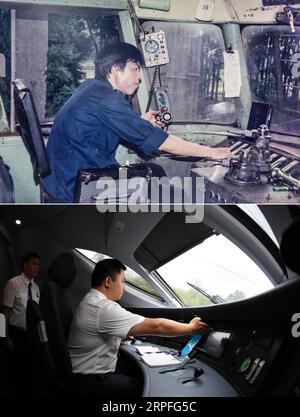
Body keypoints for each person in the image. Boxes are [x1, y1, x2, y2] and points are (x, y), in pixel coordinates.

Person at [43, 42, 231, 203]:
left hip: (63, 177)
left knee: (155, 171)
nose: (139, 77)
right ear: (116, 69)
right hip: (77, 185)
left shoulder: (91, 88)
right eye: (135, 69)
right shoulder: (107, 99)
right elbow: (164, 143)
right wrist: (212, 152)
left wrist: (138, 122)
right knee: (175, 195)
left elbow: (100, 126)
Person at [68, 258, 209, 397]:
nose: (123, 286)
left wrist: (120, 335)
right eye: (122, 281)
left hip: (83, 375)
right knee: (144, 387)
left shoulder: (90, 301)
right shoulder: (102, 307)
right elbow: (156, 326)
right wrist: (191, 328)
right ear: (108, 282)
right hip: (91, 382)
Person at [2, 251, 40, 352]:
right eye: (34, 264)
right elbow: (4, 312)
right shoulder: (13, 283)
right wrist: (5, 338)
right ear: (25, 265)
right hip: (14, 333)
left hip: (30, 336)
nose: (37, 267)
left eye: (38, 265)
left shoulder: (36, 288)